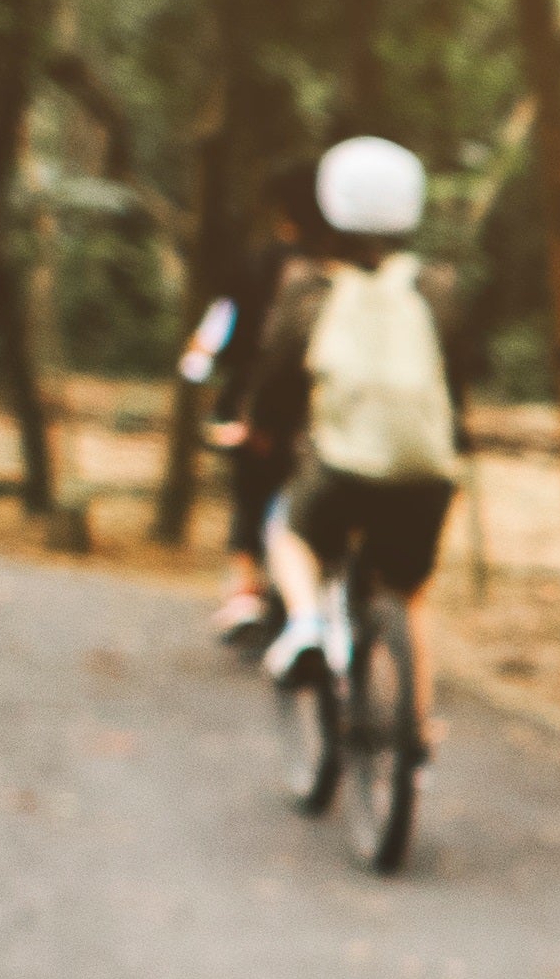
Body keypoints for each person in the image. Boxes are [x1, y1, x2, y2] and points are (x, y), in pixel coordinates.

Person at [250, 136, 467, 684]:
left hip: (340, 469)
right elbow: (461, 370)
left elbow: (276, 377)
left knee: (287, 532)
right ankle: (414, 752)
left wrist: (260, 429)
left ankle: (303, 625)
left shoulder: (310, 289)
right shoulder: (437, 288)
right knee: (409, 595)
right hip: (427, 474)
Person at [191, 160, 323, 652]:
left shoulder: (259, 264)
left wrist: (202, 369)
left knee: (251, 494)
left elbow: (217, 334)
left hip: (265, 410)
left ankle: (246, 591)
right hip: (329, 414)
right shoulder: (345, 271)